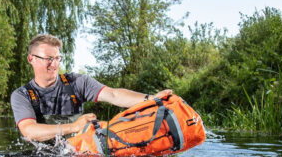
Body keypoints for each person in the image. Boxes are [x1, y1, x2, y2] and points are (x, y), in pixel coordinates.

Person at [11, 34, 172, 142]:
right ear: (31, 59)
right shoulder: (22, 95)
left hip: (78, 156)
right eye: (48, 58)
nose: (54, 64)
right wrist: (74, 127)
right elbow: (29, 131)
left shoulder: (76, 82)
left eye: (57, 58)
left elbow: (114, 95)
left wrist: (151, 99)